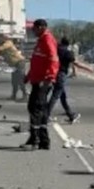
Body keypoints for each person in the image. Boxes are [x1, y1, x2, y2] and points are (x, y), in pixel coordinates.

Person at [22, 19, 59, 150]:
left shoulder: (47, 40)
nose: (33, 31)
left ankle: (35, 139)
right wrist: (27, 77)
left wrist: (49, 79)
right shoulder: (41, 40)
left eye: (34, 29)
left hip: (43, 82)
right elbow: (37, 62)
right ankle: (44, 140)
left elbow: (54, 60)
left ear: (41, 27)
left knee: (35, 108)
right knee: (40, 110)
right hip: (37, 80)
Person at [47, 37, 80, 124]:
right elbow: (75, 63)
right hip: (61, 75)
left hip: (54, 73)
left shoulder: (55, 49)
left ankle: (71, 115)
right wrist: (88, 68)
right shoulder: (68, 52)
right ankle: (45, 116)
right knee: (55, 96)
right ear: (68, 44)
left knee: (62, 96)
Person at [0, 33, 28, 100]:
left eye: (1, 37)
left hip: (19, 63)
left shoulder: (8, 43)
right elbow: (0, 52)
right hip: (14, 64)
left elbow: (1, 48)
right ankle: (14, 95)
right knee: (14, 81)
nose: (0, 39)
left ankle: (25, 95)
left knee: (20, 80)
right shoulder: (3, 44)